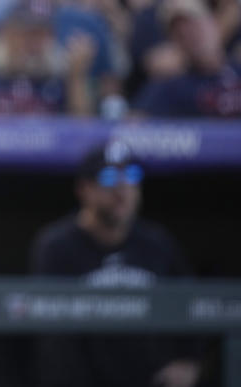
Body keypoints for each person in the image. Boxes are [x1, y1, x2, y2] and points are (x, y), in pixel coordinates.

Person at [30, 140, 202, 387]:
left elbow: (195, 306)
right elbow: (52, 338)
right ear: (84, 189)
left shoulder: (158, 243)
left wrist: (188, 360)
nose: (122, 188)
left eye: (131, 176)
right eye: (109, 177)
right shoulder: (57, 247)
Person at [133, 0, 241, 117]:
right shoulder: (171, 86)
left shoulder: (236, 70)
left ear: (212, 22)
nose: (190, 35)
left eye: (194, 25)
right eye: (180, 33)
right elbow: (130, 128)